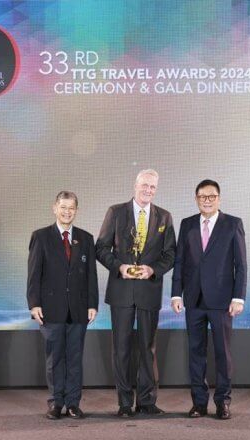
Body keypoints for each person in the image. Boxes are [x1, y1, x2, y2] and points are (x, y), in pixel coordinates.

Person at [96, 169, 176, 417]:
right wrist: (119, 267)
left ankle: (147, 401)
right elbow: (101, 248)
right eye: (144, 185)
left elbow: (170, 254)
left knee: (147, 348)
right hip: (121, 290)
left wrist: (153, 269)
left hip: (149, 291)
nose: (148, 190)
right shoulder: (116, 212)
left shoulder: (164, 217)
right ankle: (123, 404)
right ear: (135, 185)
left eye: (152, 187)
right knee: (121, 348)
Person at [171, 179, 247, 420]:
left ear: (219, 199)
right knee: (196, 352)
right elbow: (180, 261)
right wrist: (176, 293)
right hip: (193, 300)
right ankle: (199, 403)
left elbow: (241, 265)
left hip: (222, 301)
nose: (207, 200)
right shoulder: (187, 224)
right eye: (202, 196)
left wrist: (238, 298)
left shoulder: (232, 224)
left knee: (222, 353)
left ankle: (223, 402)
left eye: (211, 196)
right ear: (196, 199)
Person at [27, 191, 98, 420]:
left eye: (71, 208)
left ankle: (73, 404)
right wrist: (34, 303)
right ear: (54, 208)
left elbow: (91, 276)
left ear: (76, 211)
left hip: (78, 309)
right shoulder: (41, 237)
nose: (67, 212)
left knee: (75, 358)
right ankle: (56, 403)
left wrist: (92, 304)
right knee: (55, 358)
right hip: (51, 308)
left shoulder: (86, 239)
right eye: (63, 207)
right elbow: (34, 274)